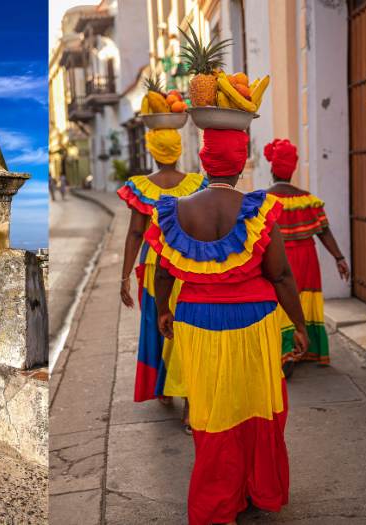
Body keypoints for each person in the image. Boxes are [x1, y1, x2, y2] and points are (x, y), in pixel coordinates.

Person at [147, 128, 308, 525]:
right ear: (241, 164)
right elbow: (281, 275)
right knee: (256, 406)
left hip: (197, 322)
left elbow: (164, 271)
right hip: (254, 322)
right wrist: (299, 324)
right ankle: (257, 489)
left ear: (203, 162)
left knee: (212, 412)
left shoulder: (176, 210)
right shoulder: (259, 209)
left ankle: (218, 501)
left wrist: (164, 311)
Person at [117, 128, 207, 406]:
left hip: (154, 265)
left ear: (153, 152)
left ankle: (165, 388)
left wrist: (125, 277)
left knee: (156, 323)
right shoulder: (196, 184)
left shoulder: (142, 188)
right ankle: (189, 391)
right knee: (186, 322)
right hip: (187, 263)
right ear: (178, 151)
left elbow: (135, 233)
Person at [264, 138, 349, 370]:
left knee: (281, 301)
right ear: (292, 170)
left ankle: (285, 353)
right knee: (305, 299)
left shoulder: (263, 201)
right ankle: (310, 350)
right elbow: (324, 231)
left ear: (272, 168)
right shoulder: (307, 200)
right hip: (307, 258)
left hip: (277, 258)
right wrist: (339, 258)